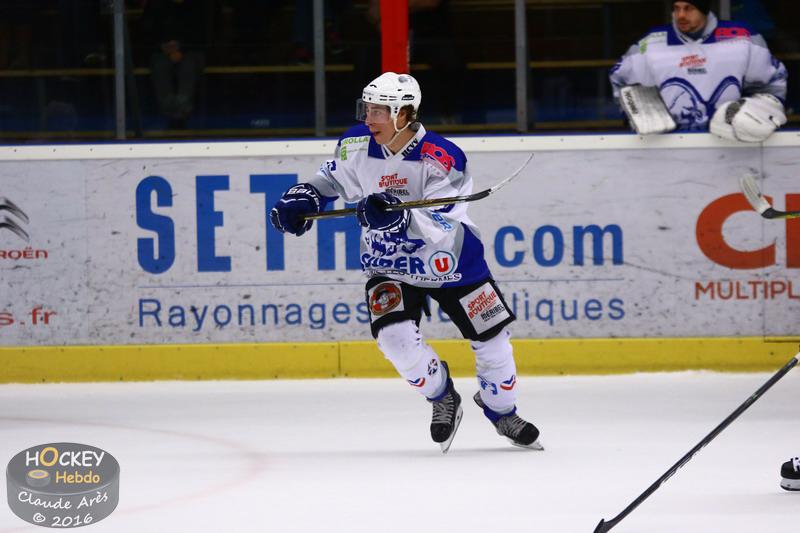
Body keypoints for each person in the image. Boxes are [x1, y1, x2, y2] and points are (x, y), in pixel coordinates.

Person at [268, 72, 542, 453]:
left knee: (494, 345)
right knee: (394, 339)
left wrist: (399, 217)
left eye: (379, 111)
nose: (369, 119)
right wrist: (305, 196)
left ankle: (501, 410)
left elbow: (444, 221)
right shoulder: (355, 145)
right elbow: (330, 180)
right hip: (388, 264)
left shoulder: (443, 157)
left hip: (454, 264)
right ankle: (442, 395)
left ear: (404, 113)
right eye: (366, 109)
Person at [609, 0, 788, 141]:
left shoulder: (742, 38)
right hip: (668, 145)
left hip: (730, 144)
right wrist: (645, 116)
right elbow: (622, 81)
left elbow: (772, 86)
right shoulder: (651, 42)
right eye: (676, 8)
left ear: (703, 9)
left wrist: (755, 113)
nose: (681, 15)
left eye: (689, 8)